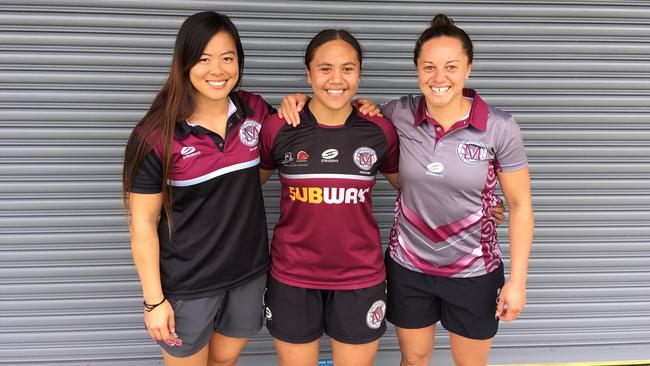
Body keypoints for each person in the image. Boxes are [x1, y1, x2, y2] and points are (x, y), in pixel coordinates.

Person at [279, 13, 533, 366]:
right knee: (413, 361)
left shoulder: (499, 127)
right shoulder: (395, 115)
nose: (439, 77)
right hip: (409, 268)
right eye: (428, 67)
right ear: (417, 70)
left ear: (468, 68)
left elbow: (520, 205)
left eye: (450, 66)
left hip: (475, 270)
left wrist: (518, 281)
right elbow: (341, 111)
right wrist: (299, 100)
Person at [122, 11, 279, 366]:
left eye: (228, 58)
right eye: (204, 59)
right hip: (187, 285)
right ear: (185, 63)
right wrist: (154, 301)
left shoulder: (254, 110)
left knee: (224, 363)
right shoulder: (156, 135)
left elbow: (295, 140)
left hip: (248, 274)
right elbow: (143, 225)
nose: (218, 70)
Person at [258, 29, 399, 366]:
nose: (337, 79)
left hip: (360, 277)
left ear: (359, 74)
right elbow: (243, 190)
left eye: (348, 69)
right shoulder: (279, 128)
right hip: (292, 275)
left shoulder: (380, 130)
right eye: (325, 69)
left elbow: (413, 188)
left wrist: (481, 205)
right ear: (308, 74)